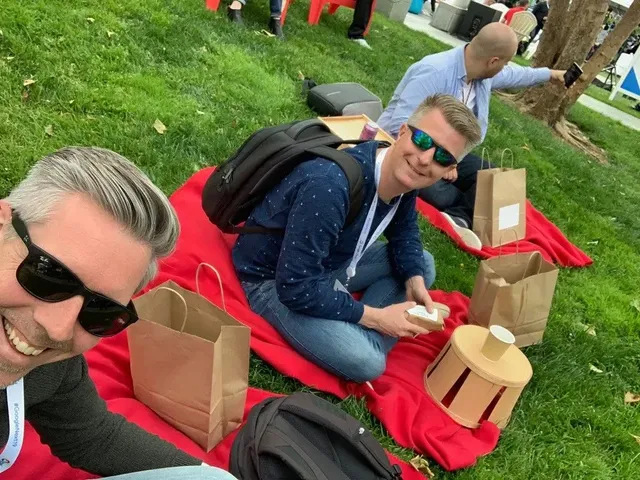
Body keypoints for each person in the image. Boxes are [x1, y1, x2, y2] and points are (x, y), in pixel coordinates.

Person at [0, 147, 235, 479]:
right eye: (47, 274)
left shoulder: (54, 367)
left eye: (100, 310)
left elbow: (94, 437)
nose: (58, 329)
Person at [233, 94, 482, 383]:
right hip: (272, 280)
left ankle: (357, 327)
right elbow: (294, 287)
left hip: (329, 261)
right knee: (369, 362)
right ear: (403, 132)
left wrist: (413, 281)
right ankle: (370, 334)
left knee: (422, 265)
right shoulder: (329, 185)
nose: (425, 159)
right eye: (423, 141)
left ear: (449, 170)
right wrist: (376, 317)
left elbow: (404, 231)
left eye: (442, 157)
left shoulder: (404, 178)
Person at [377, 23, 565, 248]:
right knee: (446, 195)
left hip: (450, 155)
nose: (506, 68)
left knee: (495, 176)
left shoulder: (482, 75)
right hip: (411, 150)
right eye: (504, 63)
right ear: (493, 62)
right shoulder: (435, 71)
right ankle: (460, 209)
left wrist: (551, 75)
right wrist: (443, 157)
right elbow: (403, 125)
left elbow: (517, 75)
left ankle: (458, 217)